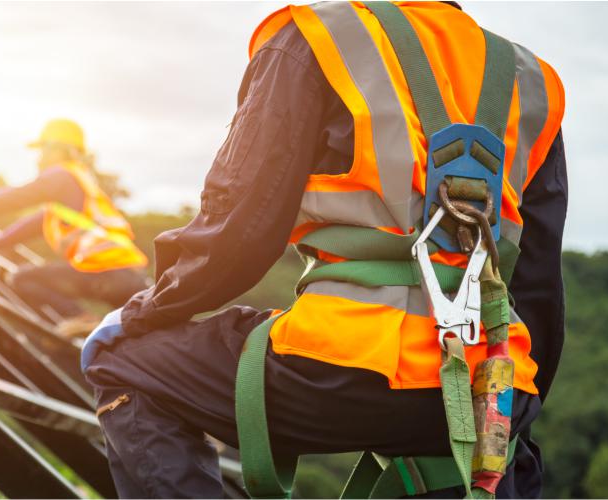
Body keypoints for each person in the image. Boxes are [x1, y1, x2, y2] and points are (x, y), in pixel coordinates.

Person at [81, 2, 566, 499]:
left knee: (123, 362)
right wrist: (512, 403)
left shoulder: (316, 36)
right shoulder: (532, 81)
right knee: (495, 455)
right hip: (490, 382)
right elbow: (538, 285)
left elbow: (239, 231)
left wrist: (145, 311)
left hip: (346, 366)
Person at [0, 119, 148, 318]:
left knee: (23, 279)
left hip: (106, 272)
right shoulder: (72, 196)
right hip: (128, 278)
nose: (38, 158)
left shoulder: (62, 176)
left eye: (42, 150)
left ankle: (79, 318)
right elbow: (27, 227)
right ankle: (77, 325)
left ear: (58, 149)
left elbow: (13, 198)